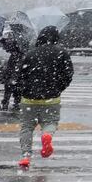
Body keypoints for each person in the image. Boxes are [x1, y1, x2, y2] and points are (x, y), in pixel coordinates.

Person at [15, 25, 75, 167]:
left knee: (26, 127)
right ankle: (46, 136)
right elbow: (68, 74)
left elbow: (20, 75)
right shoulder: (62, 53)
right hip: (51, 98)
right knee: (50, 122)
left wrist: (23, 90)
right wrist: (58, 88)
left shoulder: (31, 53)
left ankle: (25, 156)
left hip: (29, 98)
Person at [0, 29, 27, 115]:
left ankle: (8, 104)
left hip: (14, 75)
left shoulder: (16, 54)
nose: (5, 49)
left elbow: (16, 67)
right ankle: (15, 103)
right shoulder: (18, 49)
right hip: (15, 75)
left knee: (10, 89)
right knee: (15, 90)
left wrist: (12, 77)